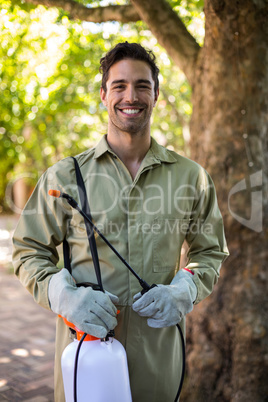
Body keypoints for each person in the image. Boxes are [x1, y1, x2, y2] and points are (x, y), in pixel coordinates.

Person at [13, 42, 229, 402]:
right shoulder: (64, 177)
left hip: (160, 364)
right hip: (85, 361)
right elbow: (26, 251)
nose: (132, 96)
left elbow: (209, 253)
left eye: (143, 85)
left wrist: (185, 289)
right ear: (103, 94)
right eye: (120, 86)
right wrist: (61, 294)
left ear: (156, 94)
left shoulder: (192, 177)